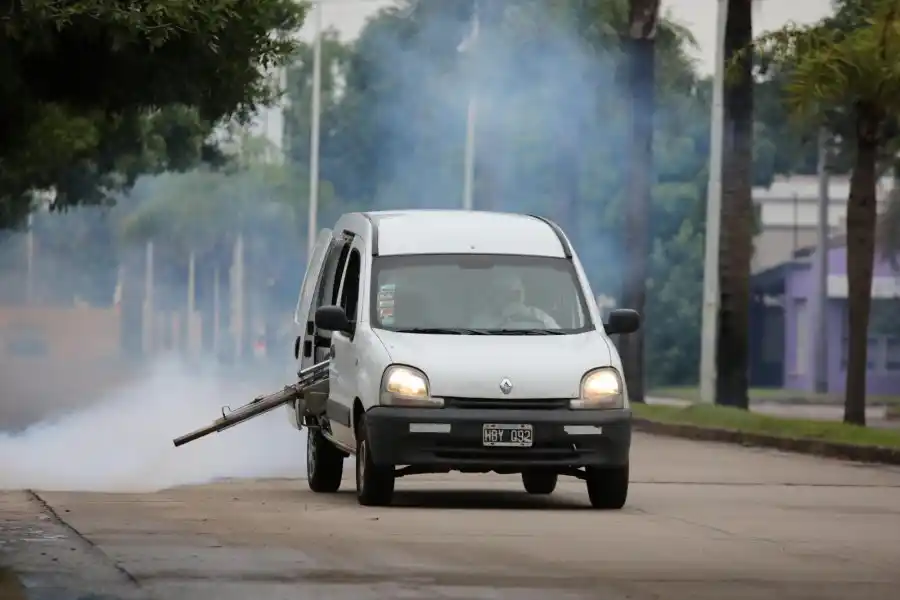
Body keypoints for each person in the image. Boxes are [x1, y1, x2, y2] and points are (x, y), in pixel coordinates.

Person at [472, 272, 560, 329]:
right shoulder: (484, 319)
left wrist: (526, 316)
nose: (512, 297)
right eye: (505, 293)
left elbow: (560, 337)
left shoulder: (538, 316)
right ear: (496, 294)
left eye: (516, 293)